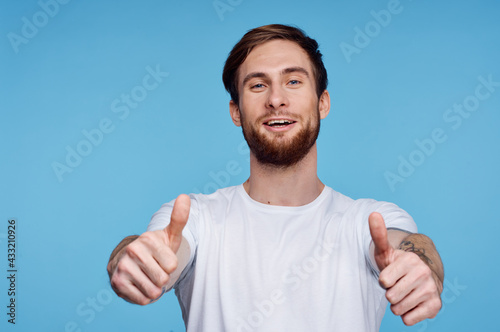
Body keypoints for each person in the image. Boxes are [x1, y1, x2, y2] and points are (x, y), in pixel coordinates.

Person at [107, 24, 444, 332]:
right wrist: (132, 260)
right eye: (257, 85)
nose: (276, 99)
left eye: (293, 81)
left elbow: (410, 247)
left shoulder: (369, 222)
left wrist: (420, 267)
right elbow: (155, 251)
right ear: (236, 112)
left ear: (322, 103)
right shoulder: (195, 219)